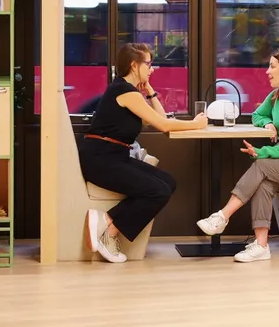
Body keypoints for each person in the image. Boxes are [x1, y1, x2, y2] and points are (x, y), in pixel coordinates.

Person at [196, 48, 279, 263]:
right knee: (264, 182)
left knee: (262, 165)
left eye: (272, 66)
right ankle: (261, 245)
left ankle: (222, 216)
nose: (267, 72)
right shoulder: (277, 95)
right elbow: (258, 115)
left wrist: (262, 152)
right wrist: (268, 123)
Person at [80, 43, 208, 263]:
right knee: (158, 191)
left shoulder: (131, 91)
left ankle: (106, 219)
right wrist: (196, 124)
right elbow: (164, 125)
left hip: (114, 156)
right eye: (148, 64)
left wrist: (150, 91)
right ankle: (109, 231)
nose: (152, 68)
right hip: (101, 159)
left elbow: (161, 118)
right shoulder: (124, 91)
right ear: (134, 65)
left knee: (168, 183)